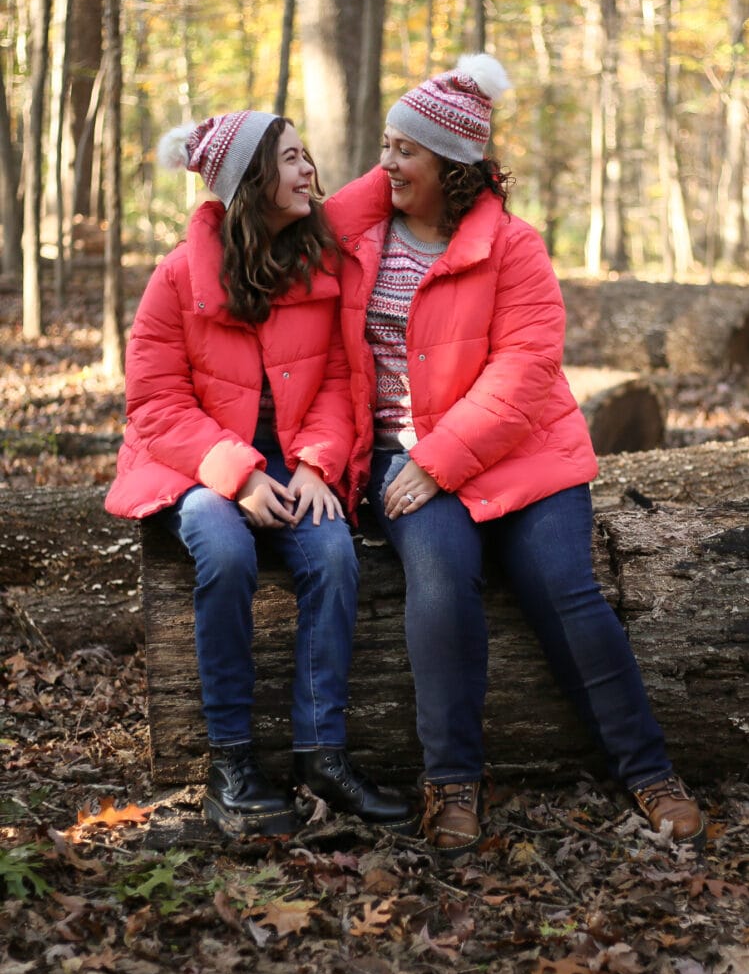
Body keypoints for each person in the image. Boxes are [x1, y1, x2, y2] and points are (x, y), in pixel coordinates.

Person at [325, 54, 706, 858]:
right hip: (401, 456)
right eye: (384, 145)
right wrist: (414, 463)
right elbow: (317, 218)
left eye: (404, 150)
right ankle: (453, 780)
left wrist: (441, 460)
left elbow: (525, 371)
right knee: (440, 578)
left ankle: (649, 771)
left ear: (453, 169)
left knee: (567, 589)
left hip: (519, 453)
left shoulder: (515, 247)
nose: (384, 162)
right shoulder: (361, 237)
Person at [105, 109, 412, 838]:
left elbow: (341, 379)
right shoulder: (178, 277)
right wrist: (236, 474)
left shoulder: (317, 262)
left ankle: (321, 754)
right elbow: (153, 401)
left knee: (335, 553)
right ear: (253, 181)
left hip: (293, 460)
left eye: (308, 158)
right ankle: (230, 765)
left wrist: (316, 465)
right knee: (224, 545)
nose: (310, 171)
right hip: (195, 461)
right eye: (295, 160)